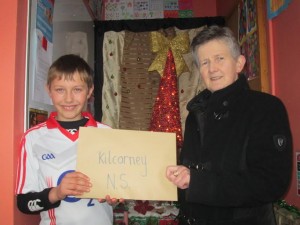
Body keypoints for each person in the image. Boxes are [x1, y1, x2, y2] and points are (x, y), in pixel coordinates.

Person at [166, 25, 292, 225]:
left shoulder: (265, 108)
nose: (212, 68)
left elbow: (271, 183)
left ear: (239, 63)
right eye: (204, 62)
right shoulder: (195, 114)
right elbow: (190, 173)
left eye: (219, 58)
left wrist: (197, 181)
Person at [15, 54, 118, 225]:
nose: (68, 98)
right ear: (49, 90)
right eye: (60, 89)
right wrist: (57, 193)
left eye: (77, 89)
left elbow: (118, 186)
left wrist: (114, 197)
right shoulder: (33, 139)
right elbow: (24, 204)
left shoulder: (107, 134)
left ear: (90, 91)